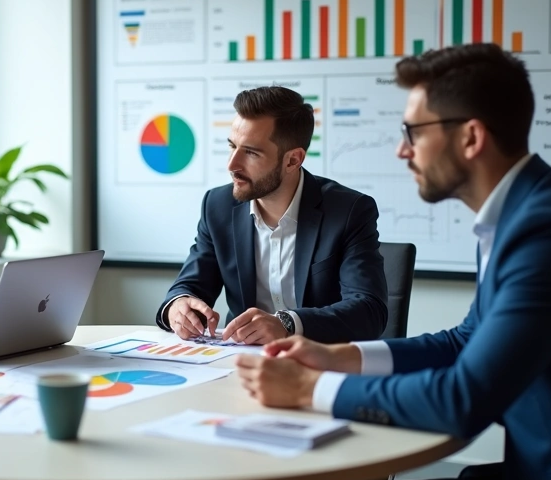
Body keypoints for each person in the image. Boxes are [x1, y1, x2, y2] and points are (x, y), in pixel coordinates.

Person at [235, 44, 551, 480]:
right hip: (550, 474)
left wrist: (308, 389)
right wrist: (341, 356)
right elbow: (464, 341)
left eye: (413, 133)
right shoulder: (529, 212)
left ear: (470, 138)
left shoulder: (550, 234)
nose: (403, 150)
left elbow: (464, 400)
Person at [159, 85, 388, 347]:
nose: (232, 165)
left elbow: (370, 312)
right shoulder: (218, 206)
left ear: (293, 160)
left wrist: (288, 324)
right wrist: (178, 305)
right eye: (232, 146)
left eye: (251, 153)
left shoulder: (349, 211)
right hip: (240, 362)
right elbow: (190, 285)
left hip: (320, 362)